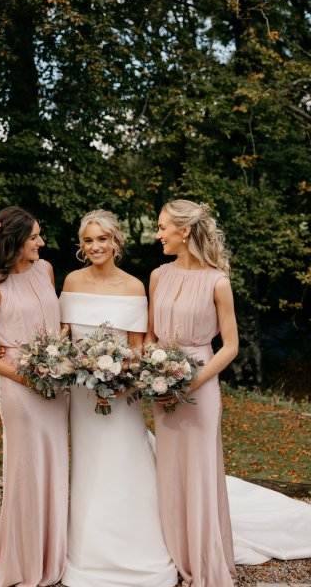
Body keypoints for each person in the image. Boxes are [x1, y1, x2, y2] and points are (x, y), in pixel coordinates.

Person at [147, 199, 311, 586]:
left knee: (200, 471)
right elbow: (152, 334)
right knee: (169, 470)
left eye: (162, 227)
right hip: (160, 384)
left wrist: (190, 381)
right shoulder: (158, 276)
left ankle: (205, 558)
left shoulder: (217, 281)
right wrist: (151, 369)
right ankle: (174, 550)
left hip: (199, 387)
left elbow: (231, 346)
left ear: (184, 231)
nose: (158, 234)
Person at [59, 209, 177, 587]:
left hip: (123, 392)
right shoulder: (71, 281)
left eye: (102, 239)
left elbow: (138, 347)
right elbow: (64, 339)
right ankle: (88, 548)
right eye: (89, 240)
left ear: (116, 242)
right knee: (90, 463)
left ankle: (138, 546)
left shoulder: (133, 286)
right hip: (81, 395)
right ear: (82, 245)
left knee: (127, 457)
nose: (96, 246)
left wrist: (123, 378)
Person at [0, 206, 69, 587]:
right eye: (34, 238)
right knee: (25, 470)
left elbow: (57, 320)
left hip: (55, 381)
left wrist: (60, 348)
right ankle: (23, 559)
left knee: (55, 464)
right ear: (13, 242)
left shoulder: (45, 270)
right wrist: (26, 376)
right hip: (19, 386)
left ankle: (54, 552)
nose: (41, 243)